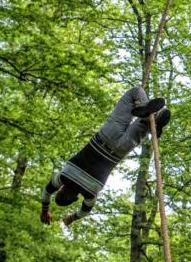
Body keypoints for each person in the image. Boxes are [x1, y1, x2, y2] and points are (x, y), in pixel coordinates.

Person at [40, 87, 171, 226]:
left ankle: (151, 119)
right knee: (135, 93)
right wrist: (44, 210)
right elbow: (47, 192)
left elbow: (85, 211)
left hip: (121, 149)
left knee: (146, 123)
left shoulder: (90, 193)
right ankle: (146, 110)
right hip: (107, 135)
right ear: (61, 188)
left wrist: (72, 218)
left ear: (75, 198)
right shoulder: (63, 176)